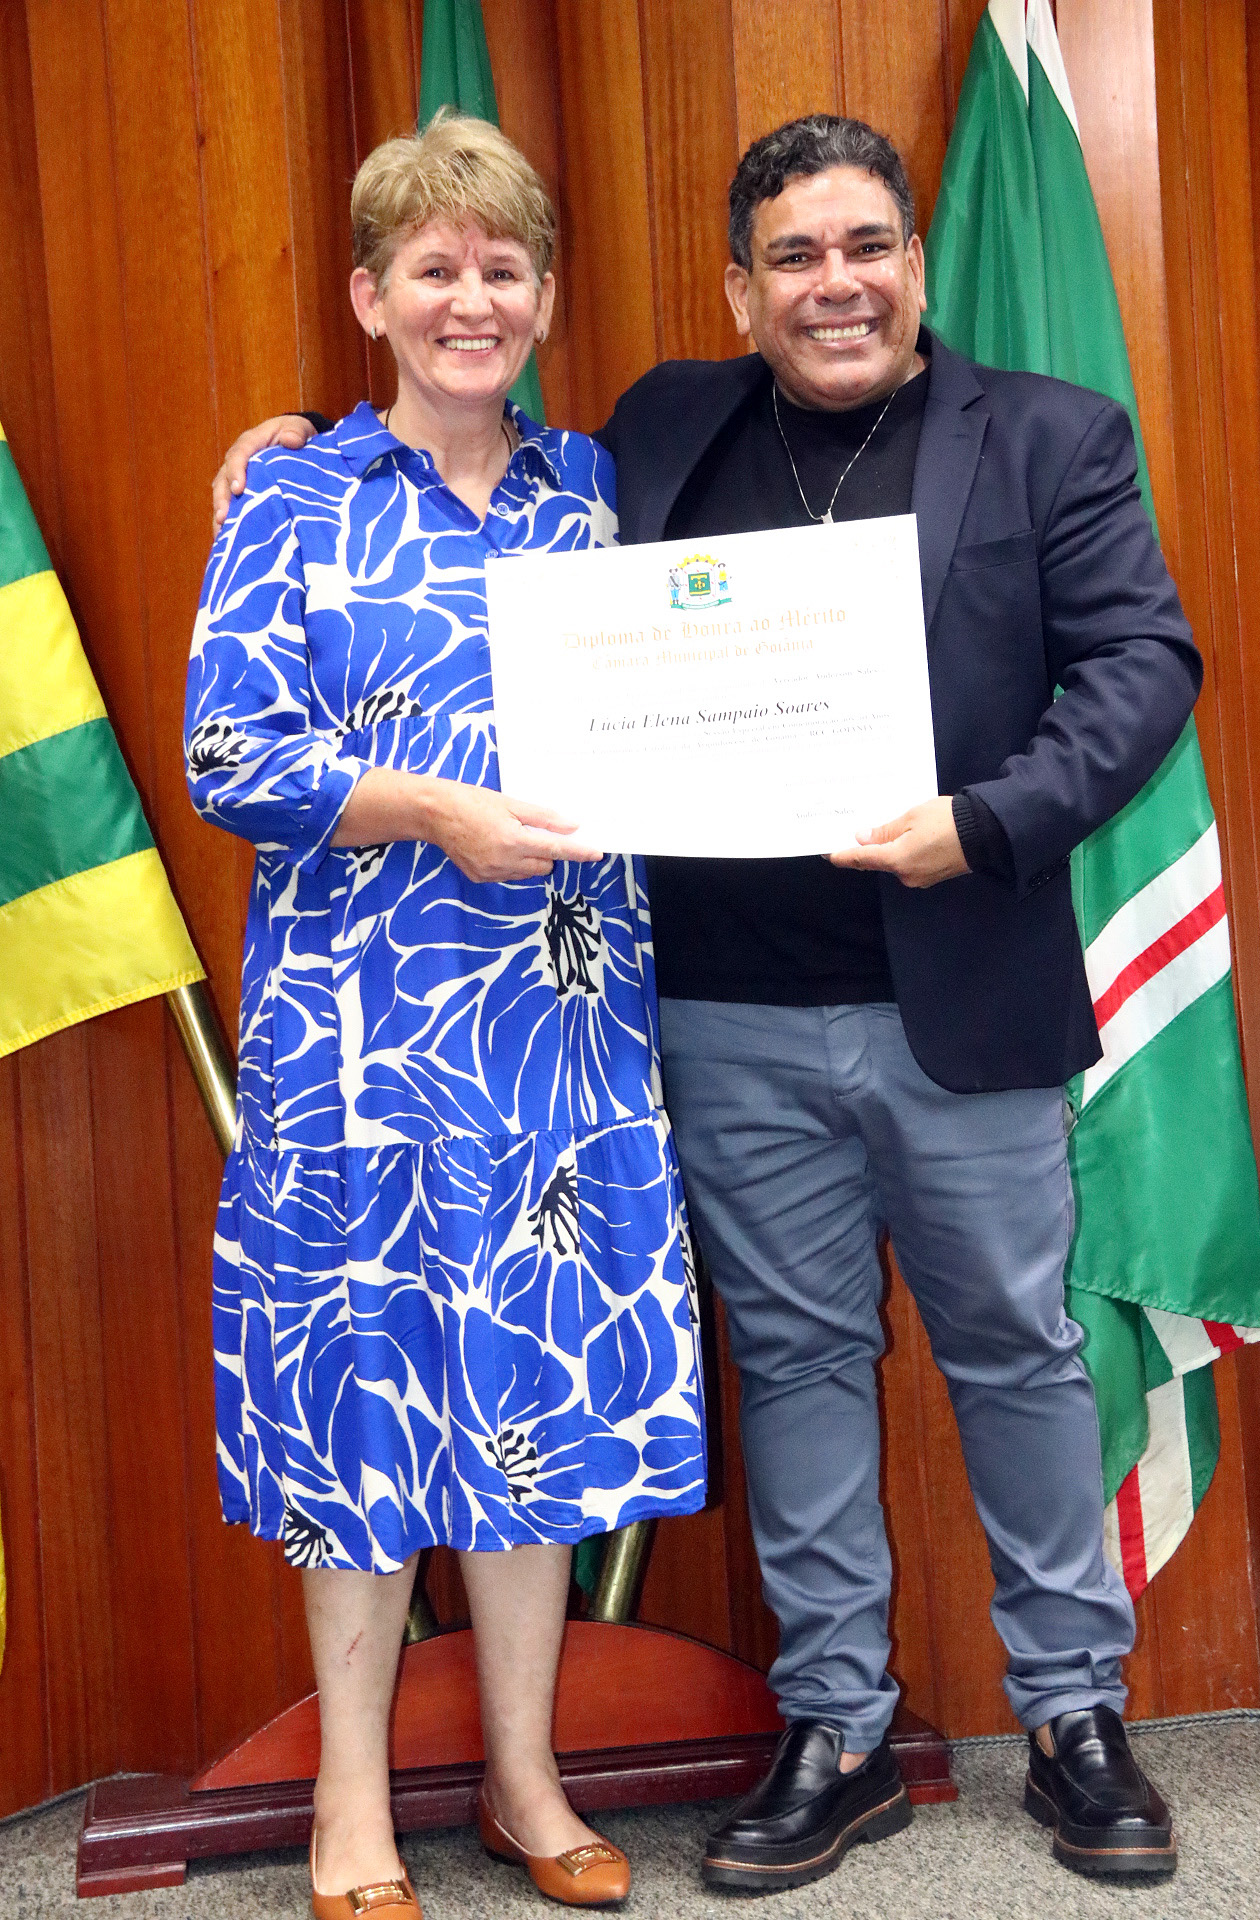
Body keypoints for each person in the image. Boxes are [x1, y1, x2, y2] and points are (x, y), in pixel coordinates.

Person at [213, 113, 1200, 1892]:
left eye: (868, 246)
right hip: (714, 1018)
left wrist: (984, 822)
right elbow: (382, 527)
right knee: (800, 1363)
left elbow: (1144, 666)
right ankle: (837, 1728)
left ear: (916, 262)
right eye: (794, 256)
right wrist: (281, 440)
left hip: (951, 1000)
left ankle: (1075, 1716)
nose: (837, 284)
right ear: (739, 289)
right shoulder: (660, 437)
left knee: (1017, 1353)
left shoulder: (1044, 435)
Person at [188, 110, 705, 1919]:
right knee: (362, 1406)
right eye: (433, 269)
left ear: (544, 295)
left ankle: (524, 1778)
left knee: (532, 1399)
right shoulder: (291, 500)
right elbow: (231, 755)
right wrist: (434, 813)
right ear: (371, 297)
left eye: (501, 268)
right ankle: (350, 1802)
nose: (469, 300)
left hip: (561, 1038)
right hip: (357, 1046)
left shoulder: (598, 494)